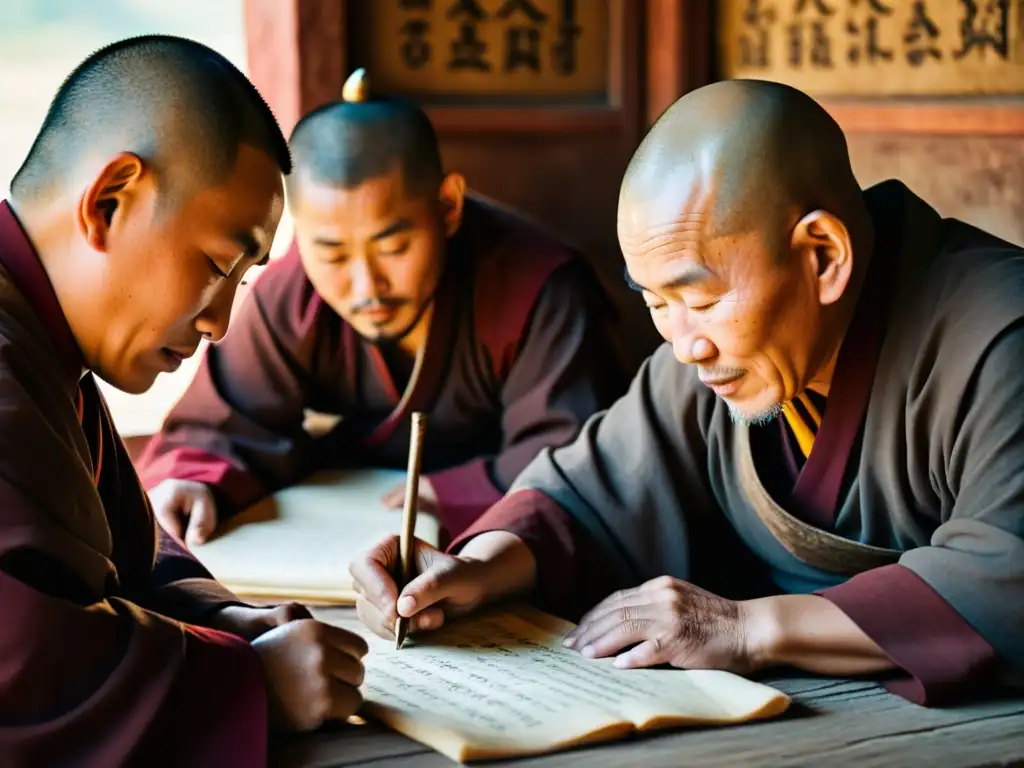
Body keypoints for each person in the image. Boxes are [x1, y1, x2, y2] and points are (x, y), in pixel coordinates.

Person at [350, 79, 1024, 707]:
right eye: (656, 303)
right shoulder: (714, 352)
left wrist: (748, 628)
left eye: (698, 298)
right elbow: (586, 495)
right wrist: (472, 570)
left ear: (821, 255)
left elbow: (1006, 581)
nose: (683, 343)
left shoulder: (1001, 333)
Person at [0, 36, 368, 767]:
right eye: (214, 265)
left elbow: (115, 558)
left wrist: (227, 618)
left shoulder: (45, 350)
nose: (219, 323)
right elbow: (16, 654)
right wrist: (248, 682)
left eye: (243, 280)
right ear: (109, 202)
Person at [136, 70, 625, 547]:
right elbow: (220, 425)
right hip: (335, 538)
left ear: (448, 207)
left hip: (490, 542)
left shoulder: (541, 287)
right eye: (332, 252)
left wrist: (451, 492)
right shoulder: (293, 291)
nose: (366, 286)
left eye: (392, 247)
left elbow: (573, 457)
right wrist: (196, 481)